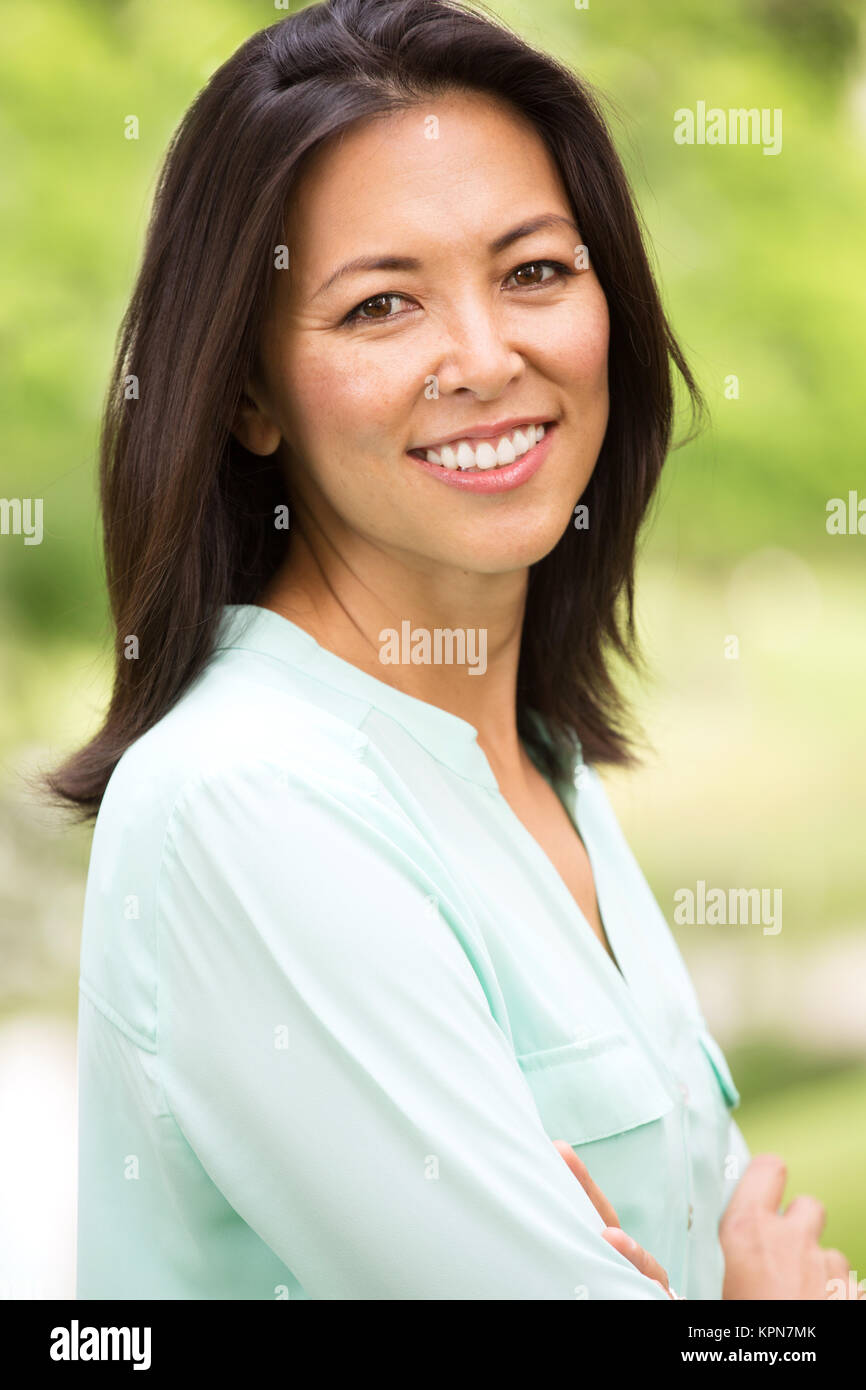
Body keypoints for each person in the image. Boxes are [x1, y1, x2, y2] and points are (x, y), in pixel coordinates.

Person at [49, 0, 850, 1299]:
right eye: (379, 307)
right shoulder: (250, 802)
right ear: (246, 392)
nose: (484, 357)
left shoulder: (533, 764)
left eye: (534, 271)